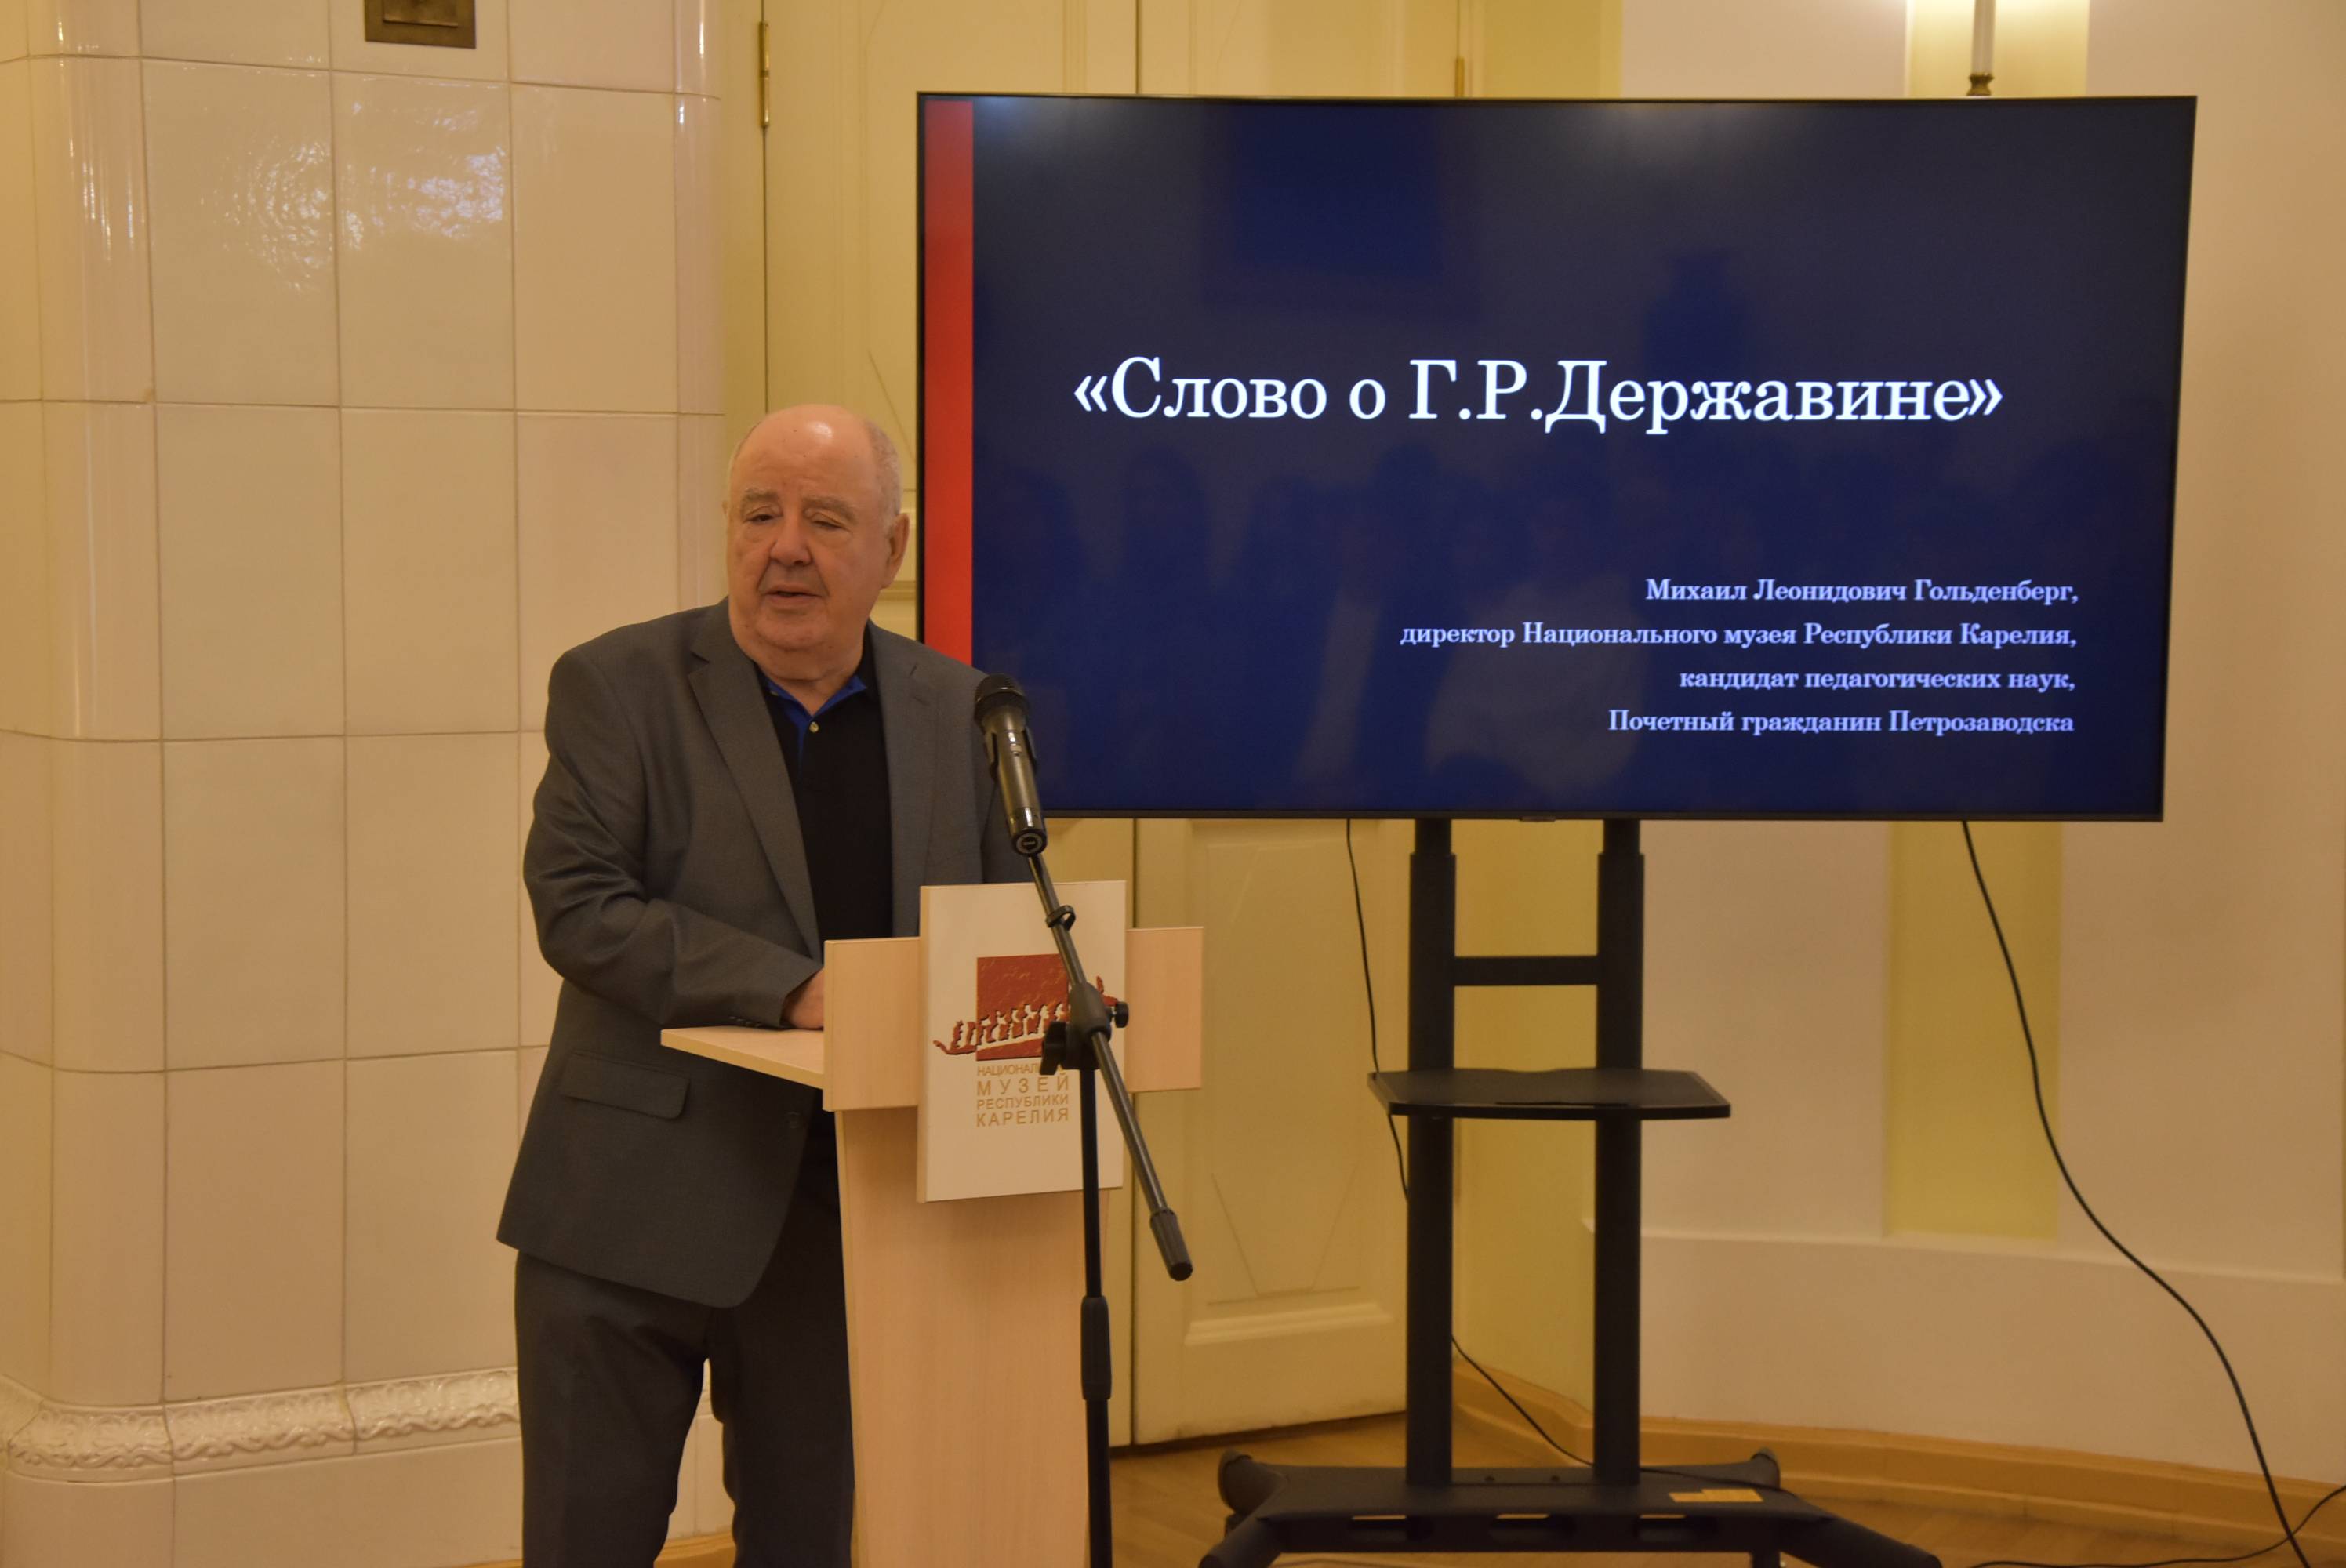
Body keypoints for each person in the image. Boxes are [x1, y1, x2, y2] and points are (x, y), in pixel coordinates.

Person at [499, 405, 1022, 1566]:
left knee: (809, 1542)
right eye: (758, 515)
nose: (785, 547)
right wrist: (794, 990)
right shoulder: (618, 685)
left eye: (825, 519)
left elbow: (998, 936)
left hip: (844, 1218)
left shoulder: (962, 711)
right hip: (629, 1201)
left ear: (891, 548)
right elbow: (579, 906)